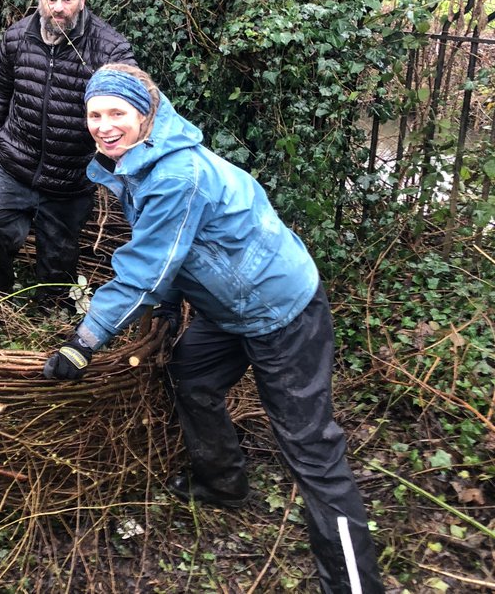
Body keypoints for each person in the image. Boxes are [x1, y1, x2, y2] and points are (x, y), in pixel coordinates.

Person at [42, 63, 383, 594]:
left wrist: (84, 342)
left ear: (147, 115)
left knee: (311, 449)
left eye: (117, 113)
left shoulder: (177, 173)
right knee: (191, 376)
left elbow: (147, 267)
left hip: (281, 310)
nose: (104, 125)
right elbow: (178, 250)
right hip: (230, 310)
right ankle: (224, 483)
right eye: (94, 114)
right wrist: (171, 306)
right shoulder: (142, 162)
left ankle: (354, 585)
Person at [0, 0, 135, 311]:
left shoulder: (110, 49)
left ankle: (48, 317)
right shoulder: (16, 38)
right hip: (15, 164)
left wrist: (109, 162)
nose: (58, 7)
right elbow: (0, 96)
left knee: (58, 265)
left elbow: (131, 108)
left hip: (70, 178)